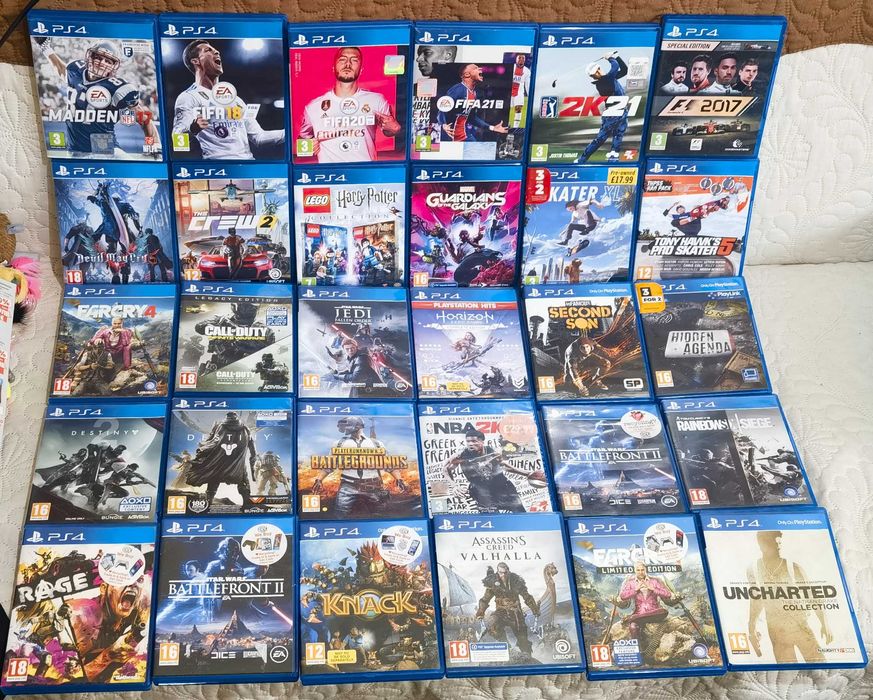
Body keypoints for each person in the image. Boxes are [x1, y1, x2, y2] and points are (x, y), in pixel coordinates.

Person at [33, 38, 158, 156]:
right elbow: (61, 69)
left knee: (136, 172)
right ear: (90, 57)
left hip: (108, 151)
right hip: (75, 151)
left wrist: (153, 145)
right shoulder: (75, 70)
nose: (102, 63)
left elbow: (145, 120)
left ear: (113, 66)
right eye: (98, 57)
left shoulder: (118, 88)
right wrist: (46, 48)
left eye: (108, 61)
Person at [172, 39, 284, 160]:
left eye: (216, 50)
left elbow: (259, 138)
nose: (217, 52)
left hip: (247, 164)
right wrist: (193, 129)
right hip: (218, 166)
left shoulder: (236, 100)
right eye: (208, 50)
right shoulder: (189, 97)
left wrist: (291, 132)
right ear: (195, 61)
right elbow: (178, 141)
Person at [299, 47, 402, 162]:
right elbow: (302, 141)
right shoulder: (313, 107)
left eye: (354, 60)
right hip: (330, 172)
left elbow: (389, 130)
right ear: (333, 68)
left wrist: (394, 129)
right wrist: (309, 147)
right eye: (342, 59)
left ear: (361, 70)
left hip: (366, 170)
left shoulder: (376, 100)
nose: (347, 64)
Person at [747, 531, 830, 662]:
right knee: (788, 670)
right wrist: (752, 629)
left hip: (800, 626)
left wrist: (825, 624)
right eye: (773, 543)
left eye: (779, 543)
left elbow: (813, 596)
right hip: (776, 632)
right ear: (761, 544)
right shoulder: (754, 569)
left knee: (819, 665)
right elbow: (756, 600)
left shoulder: (793, 568)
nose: (778, 546)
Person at [444, 429, 525, 513]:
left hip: (502, 487)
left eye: (474, 441)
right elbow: (445, 468)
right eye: (468, 441)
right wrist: (454, 486)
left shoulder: (492, 452)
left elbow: (504, 466)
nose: (470, 444)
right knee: (491, 517)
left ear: (482, 442)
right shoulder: (461, 455)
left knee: (520, 513)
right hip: (482, 491)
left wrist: (527, 473)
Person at [576, 52, 629, 163]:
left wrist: (617, 57)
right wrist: (610, 58)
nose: (598, 72)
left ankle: (613, 160)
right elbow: (615, 66)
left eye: (598, 70)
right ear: (593, 76)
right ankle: (582, 159)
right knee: (600, 139)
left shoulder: (609, 78)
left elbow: (624, 70)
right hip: (612, 114)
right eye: (595, 73)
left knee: (618, 135)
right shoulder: (604, 81)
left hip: (622, 111)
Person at [476, 562, 539, 654]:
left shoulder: (516, 581)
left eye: (505, 572)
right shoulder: (493, 582)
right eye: (501, 573)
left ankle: (527, 655)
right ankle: (506, 647)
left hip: (516, 613)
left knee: (523, 640)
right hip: (501, 612)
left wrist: (535, 610)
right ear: (498, 572)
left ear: (508, 571)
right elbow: (485, 599)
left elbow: (527, 597)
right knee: (493, 625)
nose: (503, 575)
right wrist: (480, 612)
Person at [438, 64, 508, 142]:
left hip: (465, 136)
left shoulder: (474, 93)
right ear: (467, 74)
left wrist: (492, 128)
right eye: (476, 68)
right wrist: (443, 124)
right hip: (451, 136)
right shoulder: (457, 90)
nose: (480, 69)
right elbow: (441, 109)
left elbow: (471, 117)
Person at [509, 54, 531, 128]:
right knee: (507, 108)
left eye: (523, 58)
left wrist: (529, 95)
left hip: (519, 92)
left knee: (518, 108)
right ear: (516, 59)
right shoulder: (511, 67)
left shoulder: (527, 71)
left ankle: (516, 127)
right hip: (509, 90)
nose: (521, 59)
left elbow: (527, 84)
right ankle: (507, 123)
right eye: (519, 58)